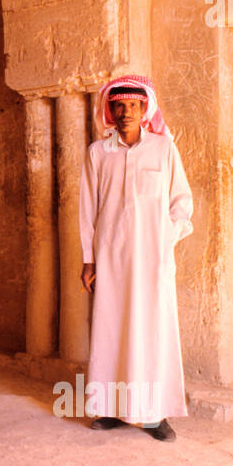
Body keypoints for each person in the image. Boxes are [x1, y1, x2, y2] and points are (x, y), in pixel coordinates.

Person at [78, 74, 193, 442]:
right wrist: (89, 259)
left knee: (151, 330)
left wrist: (164, 238)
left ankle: (153, 414)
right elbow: (87, 209)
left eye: (132, 105)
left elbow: (182, 203)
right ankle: (111, 409)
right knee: (113, 328)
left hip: (152, 261)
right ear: (110, 110)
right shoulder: (98, 153)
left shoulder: (163, 149)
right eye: (119, 105)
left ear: (145, 109)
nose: (125, 112)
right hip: (111, 258)